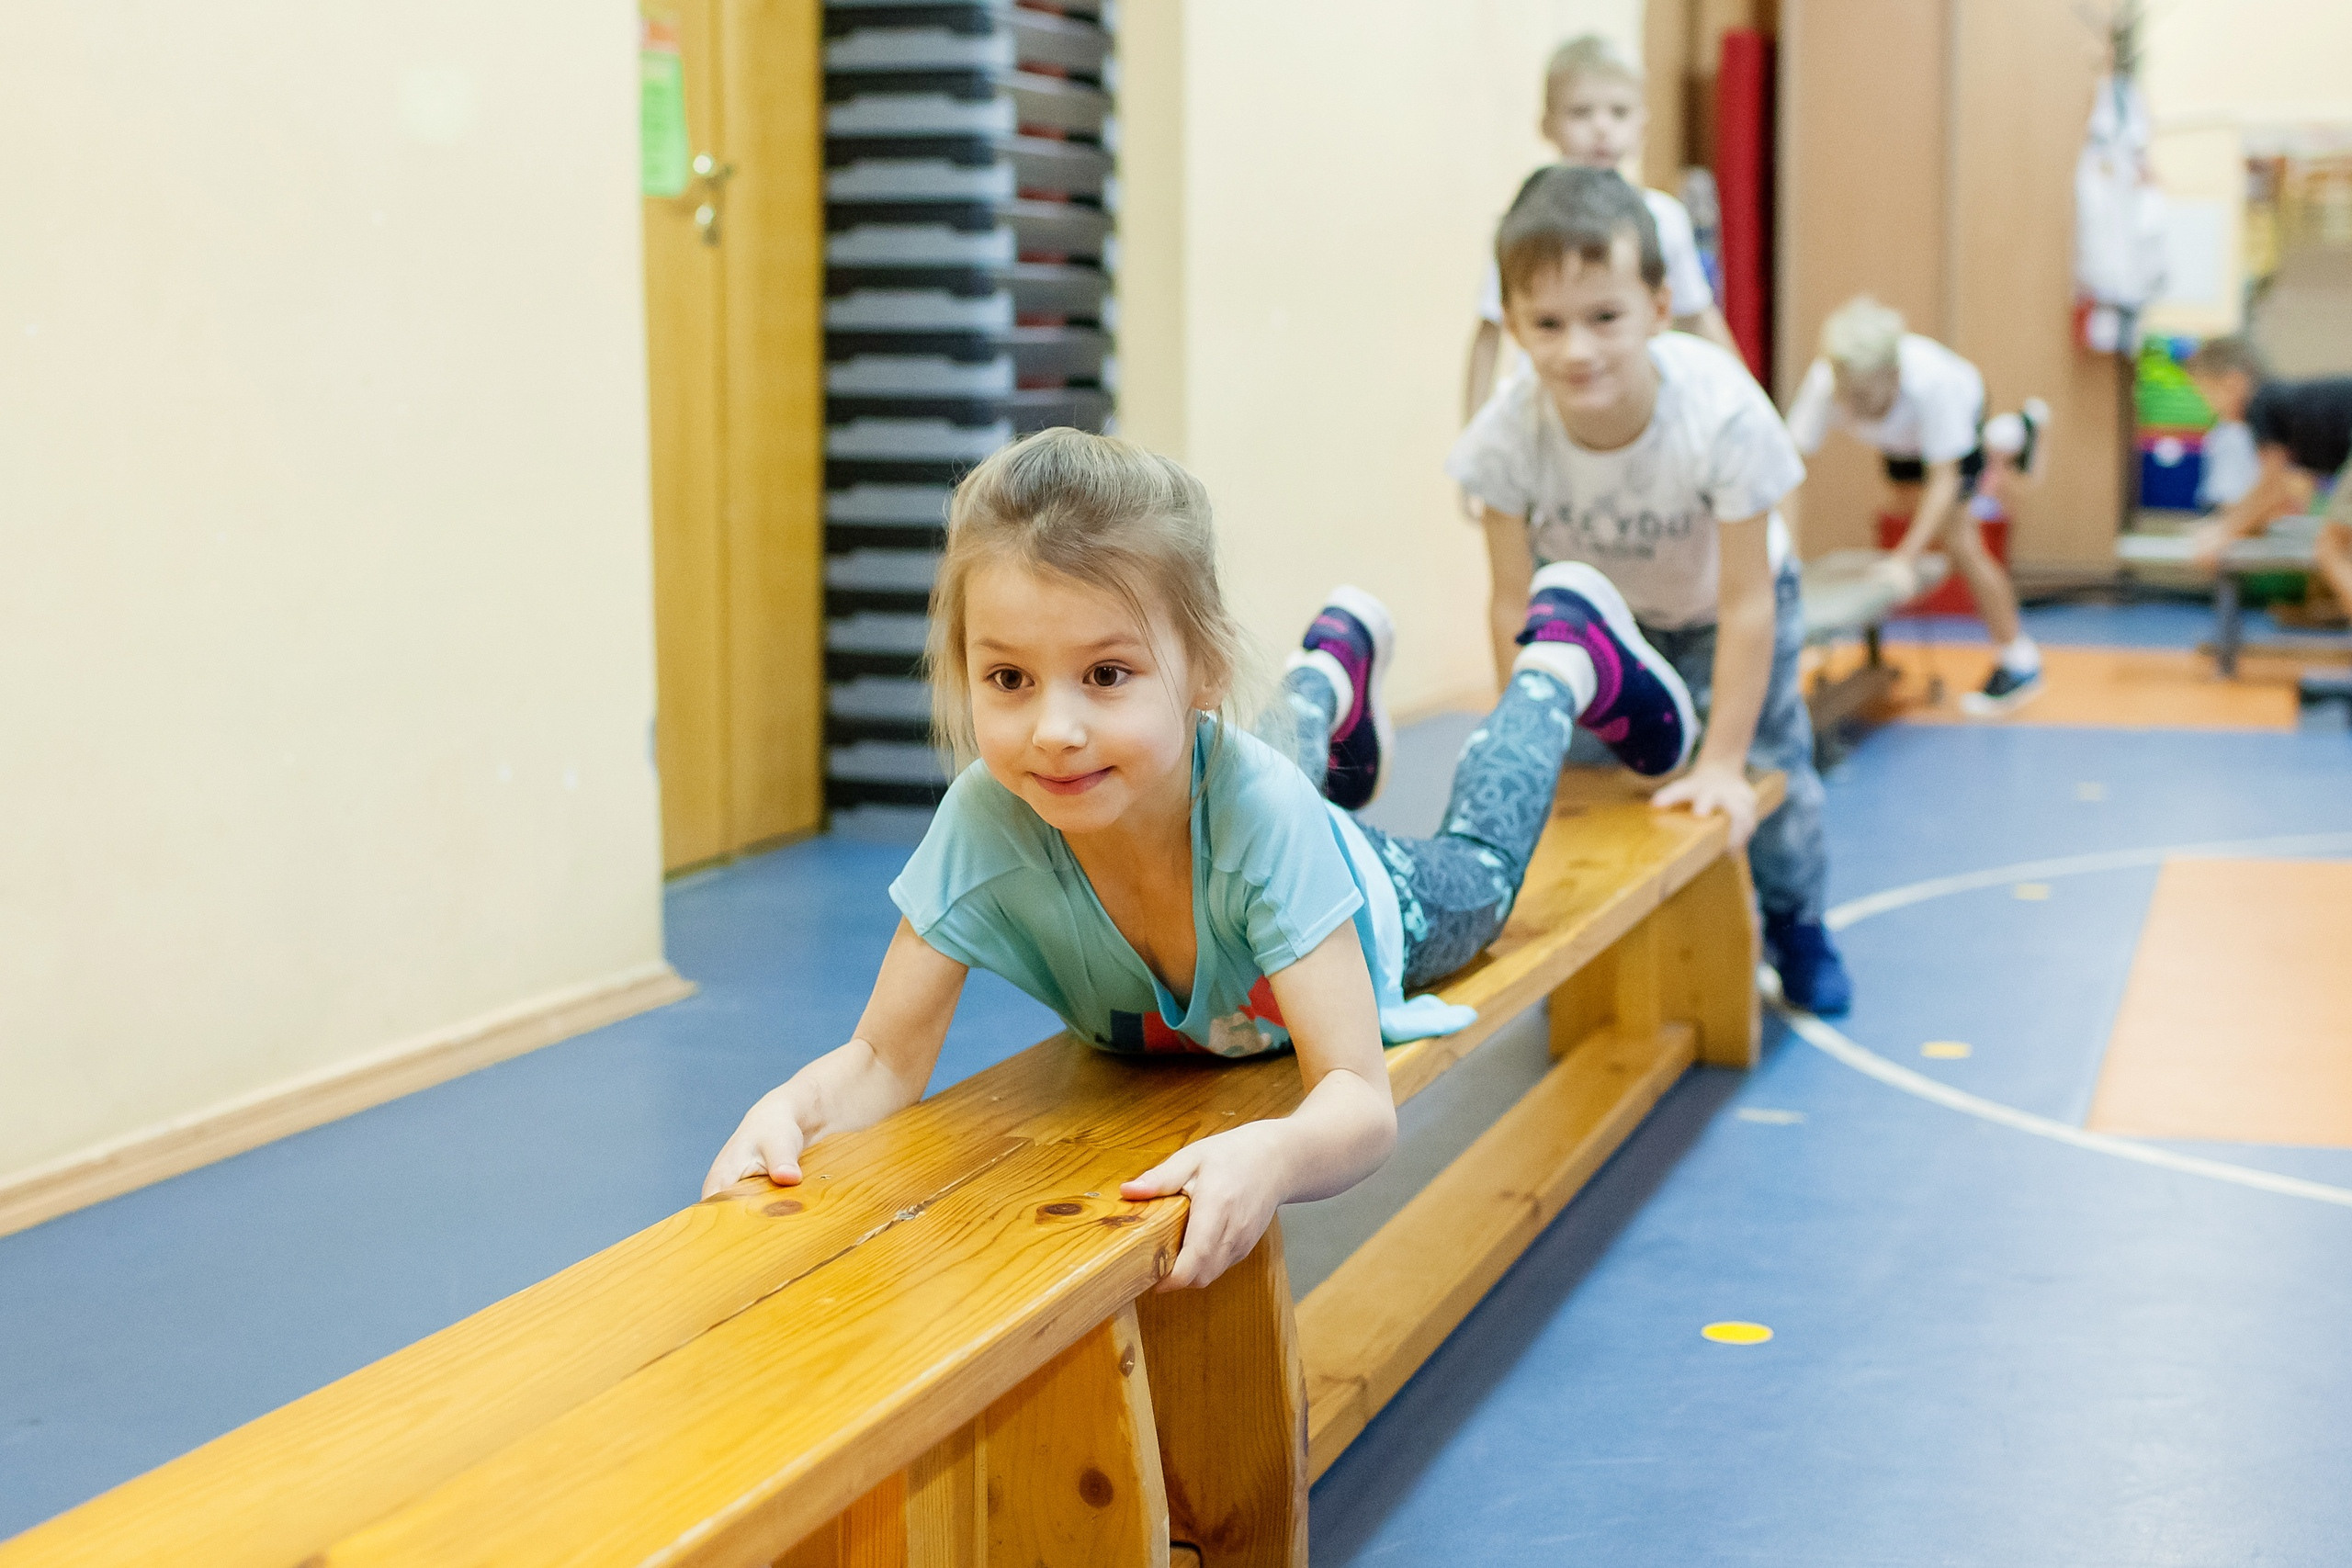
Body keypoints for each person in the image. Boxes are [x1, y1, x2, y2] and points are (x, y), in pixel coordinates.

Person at [704, 428, 1700, 1288]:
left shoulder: (1267, 822)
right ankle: (1327, 670)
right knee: (1220, 766)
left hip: (1366, 891)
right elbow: (883, 1059)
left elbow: (1357, 1098)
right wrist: (792, 1109)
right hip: (1225, 803)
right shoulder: (987, 819)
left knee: (1476, 871)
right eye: (1007, 677)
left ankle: (1559, 663)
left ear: (1204, 667)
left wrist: (1275, 1154)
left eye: (1105, 673)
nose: (1053, 729)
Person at [1446, 166, 1852, 1017]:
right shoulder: (1506, 439)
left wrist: (1724, 762)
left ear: (1660, 308)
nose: (1577, 349)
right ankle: (1596, 944)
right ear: (1514, 325)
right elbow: (1509, 604)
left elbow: (1747, 604)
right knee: (1589, 790)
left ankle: (1798, 921)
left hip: (1722, 610)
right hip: (1604, 628)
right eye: (1547, 324)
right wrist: (1529, 734)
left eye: (1605, 317)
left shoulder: (1724, 415)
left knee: (1769, 779)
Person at [1783, 297, 2046, 716]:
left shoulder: (1935, 386)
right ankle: (2011, 437)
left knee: (1960, 541)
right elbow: (1788, 470)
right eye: (1845, 396)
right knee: (1907, 509)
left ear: (1895, 373)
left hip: (1948, 421)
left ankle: (2019, 659)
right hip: (1900, 437)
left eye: (1864, 396)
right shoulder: (1827, 382)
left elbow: (1944, 480)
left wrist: (1904, 559)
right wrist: (1787, 555)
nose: (1850, 409)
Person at [1462, 34, 1738, 425]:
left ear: (1642, 125)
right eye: (1581, 113)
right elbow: (1489, 334)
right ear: (1547, 125)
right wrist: (1472, 440)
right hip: (1549, 418)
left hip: (1642, 419)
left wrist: (1748, 400)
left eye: (1619, 112)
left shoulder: (1665, 218)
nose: (1602, 128)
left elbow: (1697, 316)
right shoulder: (1525, 227)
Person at [2183, 336, 2352, 616]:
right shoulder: (2289, 411)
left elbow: (2270, 488)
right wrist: (2228, 524)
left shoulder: (2261, 404)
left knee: (2331, 550)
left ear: (2234, 381)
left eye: (2208, 393)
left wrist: (2224, 532)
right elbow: (2284, 494)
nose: (2210, 407)